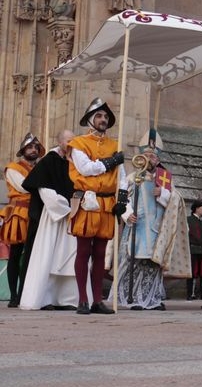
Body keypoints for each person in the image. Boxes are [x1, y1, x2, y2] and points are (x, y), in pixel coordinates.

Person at [113, 128, 189, 310]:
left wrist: (162, 193)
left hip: (156, 228)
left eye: (153, 157)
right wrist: (126, 213)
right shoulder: (132, 178)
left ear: (158, 160)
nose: (149, 159)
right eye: (146, 155)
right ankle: (132, 298)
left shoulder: (164, 179)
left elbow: (176, 199)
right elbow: (122, 199)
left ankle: (151, 299)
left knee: (152, 265)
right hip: (136, 228)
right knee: (134, 263)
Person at [68, 98, 127, 315]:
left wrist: (122, 199)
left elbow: (121, 176)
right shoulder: (78, 144)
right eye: (99, 116)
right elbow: (86, 169)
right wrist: (111, 162)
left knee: (101, 253)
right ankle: (82, 299)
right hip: (87, 201)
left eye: (106, 117)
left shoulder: (115, 145)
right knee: (84, 251)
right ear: (91, 119)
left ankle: (97, 300)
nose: (103, 119)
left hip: (106, 203)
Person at [18, 130, 80, 310]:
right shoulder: (49, 161)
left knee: (68, 258)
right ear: (60, 141)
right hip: (54, 216)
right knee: (48, 257)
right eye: (68, 141)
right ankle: (44, 299)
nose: (71, 145)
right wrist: (66, 208)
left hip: (72, 217)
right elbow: (44, 189)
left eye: (74, 141)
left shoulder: (75, 163)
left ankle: (67, 299)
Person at [1, 133, 45, 307]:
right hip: (19, 213)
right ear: (23, 150)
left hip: (36, 212)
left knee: (31, 256)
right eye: (30, 147)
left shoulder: (39, 169)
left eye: (36, 147)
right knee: (15, 254)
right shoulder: (13, 167)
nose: (33, 150)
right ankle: (14, 296)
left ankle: (26, 294)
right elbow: (25, 186)